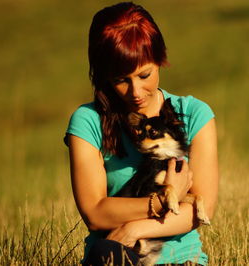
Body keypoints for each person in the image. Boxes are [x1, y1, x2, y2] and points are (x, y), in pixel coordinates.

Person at [65, 2, 219, 265]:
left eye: (144, 75)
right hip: (115, 257)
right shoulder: (88, 121)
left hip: (182, 260)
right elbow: (95, 213)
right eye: (121, 80)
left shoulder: (195, 114)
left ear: (160, 60)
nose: (135, 92)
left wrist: (133, 229)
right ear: (104, 77)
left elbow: (199, 211)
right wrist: (163, 201)